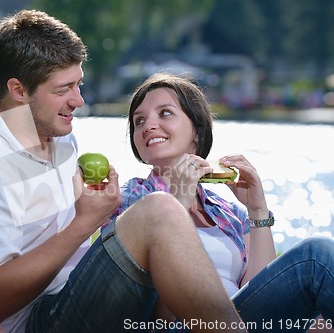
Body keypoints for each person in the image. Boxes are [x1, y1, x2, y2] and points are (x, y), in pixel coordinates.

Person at [0, 9, 249, 333]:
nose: (79, 100)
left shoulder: (59, 137)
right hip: (33, 324)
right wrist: (85, 222)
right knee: (160, 208)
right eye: (63, 90)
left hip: (81, 296)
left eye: (78, 85)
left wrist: (96, 203)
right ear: (18, 90)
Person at [110, 72, 334, 332]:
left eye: (165, 113)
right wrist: (177, 202)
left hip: (238, 324)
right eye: (139, 120)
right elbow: (146, 304)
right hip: (180, 325)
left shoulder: (229, 213)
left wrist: (257, 210)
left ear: (196, 130)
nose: (148, 125)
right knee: (316, 256)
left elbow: (258, 290)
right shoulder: (127, 201)